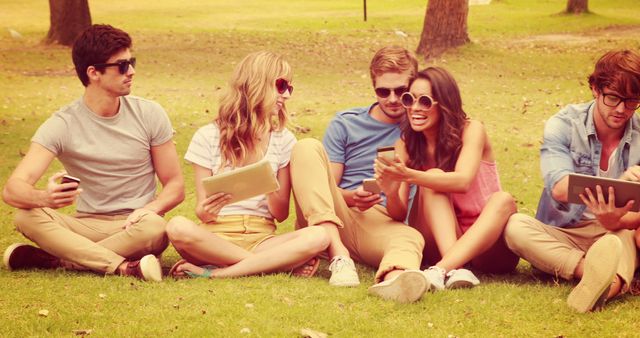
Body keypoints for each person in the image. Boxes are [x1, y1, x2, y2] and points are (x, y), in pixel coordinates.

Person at [1, 24, 185, 282]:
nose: (131, 71)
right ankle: (123, 267)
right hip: (85, 225)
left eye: (131, 62)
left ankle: (59, 261)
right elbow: (12, 190)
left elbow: (175, 185)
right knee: (26, 215)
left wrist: (151, 208)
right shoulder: (62, 124)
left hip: (135, 224)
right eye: (121, 66)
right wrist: (44, 197)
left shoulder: (150, 114)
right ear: (94, 72)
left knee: (156, 227)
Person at [165, 51, 331, 279]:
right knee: (177, 226)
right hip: (215, 239)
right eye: (281, 85)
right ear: (256, 84)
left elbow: (280, 214)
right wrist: (207, 211)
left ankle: (216, 274)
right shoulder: (207, 136)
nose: (286, 95)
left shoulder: (284, 140)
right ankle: (275, 265)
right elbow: (202, 213)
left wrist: (267, 184)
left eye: (289, 88)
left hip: (262, 238)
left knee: (319, 235)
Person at [504, 49, 640, 313]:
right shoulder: (564, 124)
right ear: (594, 88)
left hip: (615, 231)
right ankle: (591, 273)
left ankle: (606, 286)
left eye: (632, 100)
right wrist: (618, 185)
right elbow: (560, 186)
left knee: (622, 238)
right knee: (515, 226)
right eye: (613, 97)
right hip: (565, 231)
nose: (622, 109)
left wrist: (614, 220)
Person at [290, 46, 428, 302]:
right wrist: (352, 197)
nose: (393, 99)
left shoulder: (422, 127)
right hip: (334, 213)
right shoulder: (346, 122)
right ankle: (338, 254)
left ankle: (396, 280)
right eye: (383, 91)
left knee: (409, 237)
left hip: (383, 223)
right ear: (374, 87)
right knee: (306, 147)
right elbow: (323, 185)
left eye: (401, 90)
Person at [374, 67, 519, 290]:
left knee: (504, 200)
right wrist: (391, 190)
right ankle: (453, 268)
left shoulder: (472, 130)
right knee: (432, 177)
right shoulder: (405, 144)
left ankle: (443, 269)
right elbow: (399, 214)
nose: (414, 108)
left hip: (485, 242)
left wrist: (410, 175)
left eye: (424, 101)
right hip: (439, 240)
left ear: (444, 104)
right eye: (409, 99)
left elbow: (463, 181)